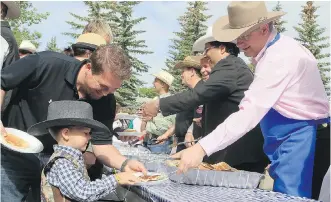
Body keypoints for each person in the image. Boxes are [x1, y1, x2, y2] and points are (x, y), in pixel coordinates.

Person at [171, 1, 329, 198]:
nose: (239, 44)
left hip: (302, 138)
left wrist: (201, 147)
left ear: (263, 28)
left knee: (292, 197)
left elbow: (249, 113)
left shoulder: (279, 58)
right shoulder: (274, 52)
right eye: (237, 37)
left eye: (244, 36)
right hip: (286, 140)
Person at [0, 44, 147, 201]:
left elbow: (102, 144)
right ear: (89, 68)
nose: (105, 94)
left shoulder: (106, 100)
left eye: (111, 90)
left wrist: (124, 164)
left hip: (59, 161)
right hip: (16, 151)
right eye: (102, 87)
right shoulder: (46, 63)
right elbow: (3, 82)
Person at [143, 24, 268, 172]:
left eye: (207, 49)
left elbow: (198, 94)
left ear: (222, 48)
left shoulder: (229, 66)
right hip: (229, 154)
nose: (205, 54)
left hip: (239, 158)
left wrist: (158, 104)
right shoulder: (230, 68)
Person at [27, 100, 141, 202]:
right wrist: (117, 178)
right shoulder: (62, 162)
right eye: (86, 133)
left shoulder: (70, 159)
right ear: (66, 134)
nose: (89, 137)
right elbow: (83, 192)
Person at [141, 70, 176, 154]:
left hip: (160, 143)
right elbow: (145, 119)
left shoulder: (172, 102)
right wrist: (143, 131)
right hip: (148, 140)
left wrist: (165, 136)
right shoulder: (154, 100)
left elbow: (175, 124)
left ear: (163, 84)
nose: (153, 83)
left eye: (156, 80)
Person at [174, 56, 204, 152]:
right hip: (185, 142)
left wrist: (190, 132)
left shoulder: (202, 92)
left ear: (192, 72)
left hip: (193, 143)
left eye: (183, 71)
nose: (181, 75)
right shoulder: (191, 93)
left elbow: (199, 118)